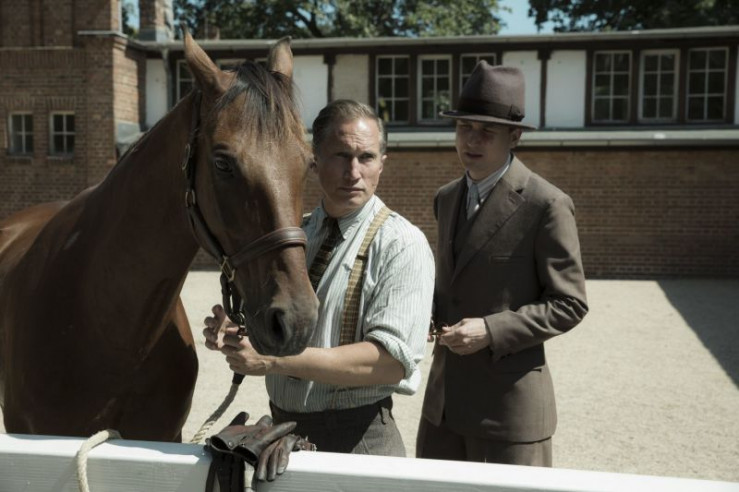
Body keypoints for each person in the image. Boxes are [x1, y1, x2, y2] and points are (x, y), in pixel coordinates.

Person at [204, 99, 435, 456]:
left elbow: (389, 364)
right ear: (314, 161)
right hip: (282, 438)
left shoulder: (402, 243)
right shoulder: (296, 236)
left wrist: (272, 360)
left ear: (382, 164)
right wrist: (241, 332)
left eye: (366, 157)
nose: (353, 172)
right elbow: (286, 324)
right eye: (341, 156)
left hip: (359, 443)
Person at [416, 62, 588, 467]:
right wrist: (425, 313)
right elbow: (453, 284)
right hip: (442, 408)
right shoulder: (446, 198)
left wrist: (492, 330)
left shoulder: (547, 205)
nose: (472, 140)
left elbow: (570, 303)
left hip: (510, 414)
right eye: (464, 127)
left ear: (515, 137)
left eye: (487, 131)